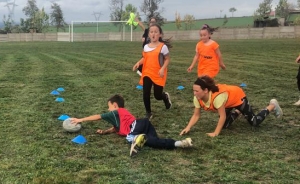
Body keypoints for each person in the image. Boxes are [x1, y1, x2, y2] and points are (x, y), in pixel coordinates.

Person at [70, 94, 192, 157]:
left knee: (130, 136)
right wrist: (104, 132)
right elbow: (115, 129)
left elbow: (97, 116)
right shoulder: (121, 119)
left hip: (137, 125)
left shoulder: (116, 112)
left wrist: (80, 119)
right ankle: (180, 143)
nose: (108, 109)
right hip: (144, 124)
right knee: (153, 142)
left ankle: (134, 139)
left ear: (115, 105)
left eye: (109, 106)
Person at [180, 75, 283, 137]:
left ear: (206, 90)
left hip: (237, 97)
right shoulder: (197, 98)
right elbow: (196, 115)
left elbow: (222, 116)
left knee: (254, 122)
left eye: (196, 91)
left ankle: (272, 105)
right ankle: (238, 111)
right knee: (224, 126)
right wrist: (188, 127)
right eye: (193, 90)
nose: (194, 93)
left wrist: (215, 133)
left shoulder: (217, 98)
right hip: (227, 102)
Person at [132, 24, 172, 119]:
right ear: (148, 35)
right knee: (145, 93)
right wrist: (138, 63)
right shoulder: (146, 47)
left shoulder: (163, 47)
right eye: (151, 32)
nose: (153, 33)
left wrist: (162, 69)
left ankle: (165, 97)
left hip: (158, 74)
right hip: (147, 73)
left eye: (156, 32)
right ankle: (148, 113)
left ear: (160, 34)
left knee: (157, 96)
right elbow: (144, 58)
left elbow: (167, 59)